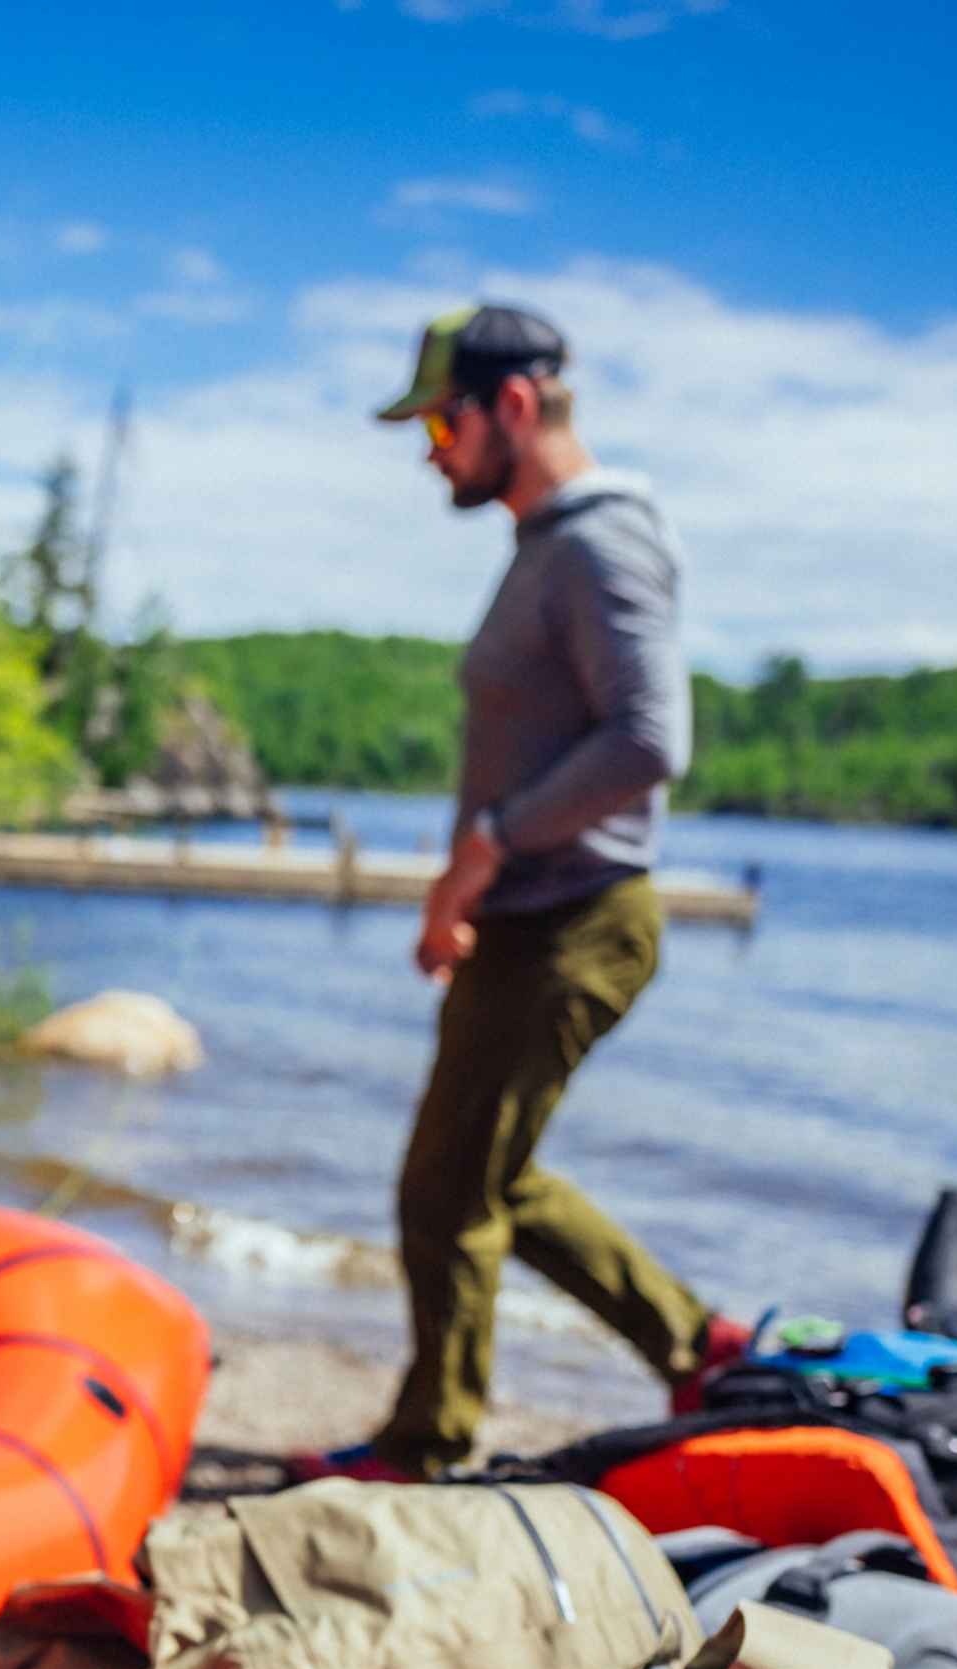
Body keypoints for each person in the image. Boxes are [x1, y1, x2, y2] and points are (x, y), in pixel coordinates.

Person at [300, 303, 738, 1484]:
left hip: (576, 917)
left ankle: (430, 1443)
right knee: (486, 1171)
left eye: (444, 418)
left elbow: (650, 740)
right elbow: (531, 743)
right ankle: (700, 1347)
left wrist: (486, 850)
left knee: (448, 1186)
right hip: (521, 917)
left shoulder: (603, 543)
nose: (430, 447)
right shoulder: (545, 544)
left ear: (518, 405)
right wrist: (465, 893)